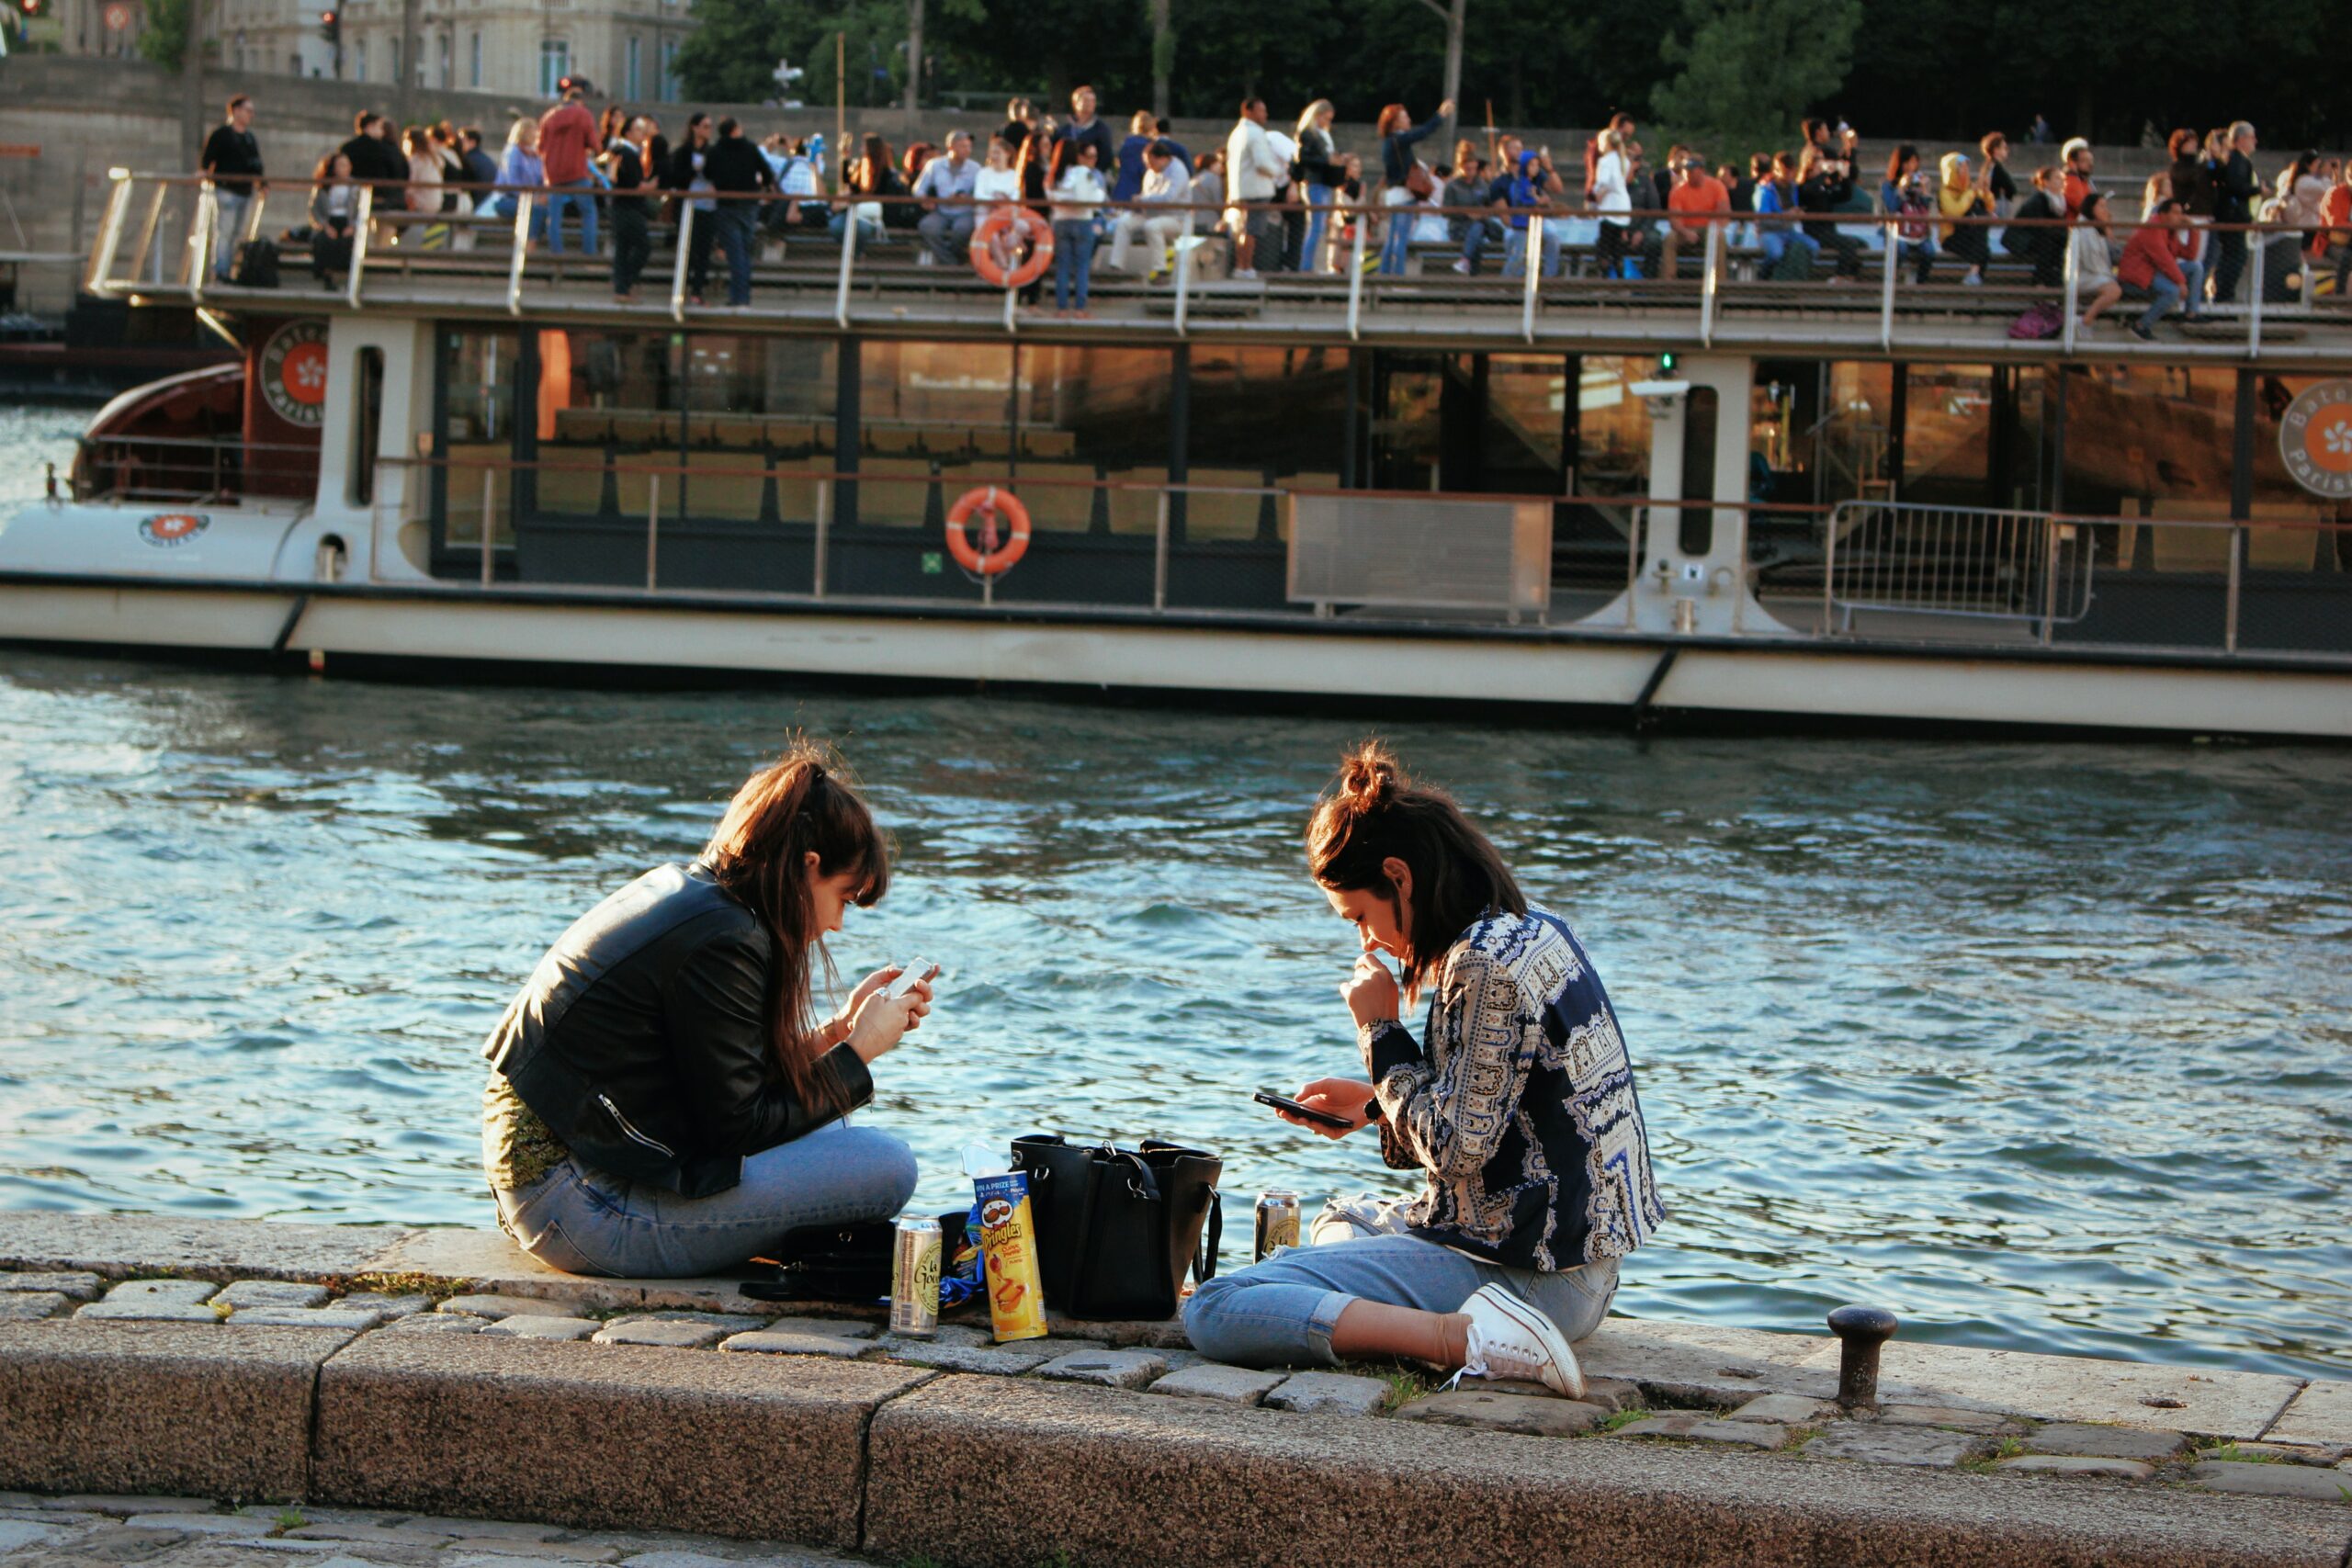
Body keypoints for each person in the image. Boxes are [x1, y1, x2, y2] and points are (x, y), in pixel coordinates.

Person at [1182, 743, 1664, 1392]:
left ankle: (1463, 1338)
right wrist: (1374, 1104)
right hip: (1579, 1268)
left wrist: (1380, 1032)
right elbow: (1499, 1122)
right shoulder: (1530, 929)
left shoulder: (1479, 965)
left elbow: (1457, 1147)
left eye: (1360, 917)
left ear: (1398, 877)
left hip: (1534, 1280)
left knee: (1217, 1307)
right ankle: (1434, 1324)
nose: (1367, 942)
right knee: (1336, 1225)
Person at [482, 745, 930, 1280]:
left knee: (836, 1134)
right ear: (808, 867)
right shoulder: (723, 938)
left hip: (558, 1185)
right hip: (579, 1206)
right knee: (886, 1167)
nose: (836, 924)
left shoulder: (695, 899)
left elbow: (722, 1082)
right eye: (843, 897)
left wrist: (838, 1031)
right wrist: (860, 1051)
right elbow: (738, 1127)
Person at [1374, 98, 1453, 275]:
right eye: (1405, 117)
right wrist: (1440, 115)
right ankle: (1397, 278)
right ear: (1395, 122)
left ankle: (1383, 275)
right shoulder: (1399, 139)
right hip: (1404, 196)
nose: (1409, 119)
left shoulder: (1389, 142)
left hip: (1394, 195)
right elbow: (1423, 132)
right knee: (1401, 238)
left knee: (1392, 239)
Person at [704, 117, 775, 307]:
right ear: (735, 130)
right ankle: (743, 295)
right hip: (749, 204)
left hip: (726, 205)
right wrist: (765, 187)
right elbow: (767, 172)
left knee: (735, 252)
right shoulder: (750, 148)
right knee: (744, 250)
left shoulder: (715, 151)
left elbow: (708, 173)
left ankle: (739, 297)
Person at [1108, 139, 1191, 279]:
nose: (1148, 166)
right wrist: (1139, 203)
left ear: (1162, 159)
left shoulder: (1178, 170)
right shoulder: (1150, 173)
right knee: (1124, 223)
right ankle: (1116, 266)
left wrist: (1142, 199)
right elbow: (1147, 195)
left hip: (1175, 218)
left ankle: (1160, 270)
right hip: (1150, 213)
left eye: (1150, 162)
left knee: (1152, 227)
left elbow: (1169, 198)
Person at [2117, 197, 2198, 338]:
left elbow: (2189, 255)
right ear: (2163, 215)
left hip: (2154, 273)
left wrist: (2193, 229)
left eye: (2181, 214)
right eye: (2176, 213)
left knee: (2195, 267)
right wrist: (2181, 282)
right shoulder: (2153, 228)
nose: (2180, 218)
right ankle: (2141, 326)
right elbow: (2164, 259)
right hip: (2138, 276)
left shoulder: (2170, 231)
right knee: (2172, 291)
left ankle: (2191, 314)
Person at [201, 95, 263, 281]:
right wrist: (205, 173)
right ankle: (221, 271)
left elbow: (256, 164)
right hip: (226, 190)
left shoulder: (249, 138)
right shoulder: (221, 134)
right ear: (235, 111)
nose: (250, 115)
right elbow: (207, 159)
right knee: (225, 232)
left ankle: (229, 271)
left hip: (245, 191)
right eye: (247, 110)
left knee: (237, 234)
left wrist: (262, 183)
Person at [1224, 98, 1285, 279]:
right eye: (1261, 111)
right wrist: (1279, 171)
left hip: (1238, 189)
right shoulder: (1256, 133)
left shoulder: (1236, 133)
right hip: (1256, 190)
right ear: (1248, 111)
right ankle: (1246, 267)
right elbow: (1262, 163)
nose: (1265, 115)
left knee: (1241, 229)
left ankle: (1239, 267)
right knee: (1252, 230)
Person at [538, 78, 600, 255]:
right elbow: (594, 144)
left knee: (554, 216)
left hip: (553, 173)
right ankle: (589, 253)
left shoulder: (548, 117)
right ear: (580, 101)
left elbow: (540, 147)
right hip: (576, 171)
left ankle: (557, 254)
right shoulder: (583, 114)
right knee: (588, 212)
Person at [1047, 137, 1105, 317]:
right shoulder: (1083, 173)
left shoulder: (1053, 174)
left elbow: (1051, 196)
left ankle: (1062, 307)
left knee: (1063, 266)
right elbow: (1094, 198)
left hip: (1061, 220)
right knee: (1081, 267)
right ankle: (1080, 308)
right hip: (1082, 220)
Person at [665, 114, 717, 302]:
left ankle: (697, 291)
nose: (708, 130)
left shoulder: (712, 152)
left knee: (704, 250)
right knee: (688, 249)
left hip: (707, 207)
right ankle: (681, 289)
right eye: (704, 126)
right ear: (694, 128)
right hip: (688, 206)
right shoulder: (683, 152)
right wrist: (694, 171)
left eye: (710, 126)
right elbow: (676, 177)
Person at [1496, 146, 1566, 279]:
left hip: (1533, 222)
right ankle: (1505, 282)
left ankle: (1548, 278)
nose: (1536, 168)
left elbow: (1557, 189)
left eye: (1537, 165)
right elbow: (1521, 200)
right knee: (1518, 255)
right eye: (1532, 165)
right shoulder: (1518, 183)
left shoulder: (1532, 181)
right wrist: (1539, 201)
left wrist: (1540, 200)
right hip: (1520, 224)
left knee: (1551, 239)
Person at [605, 116, 653, 303]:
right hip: (629, 207)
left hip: (618, 206)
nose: (643, 133)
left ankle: (621, 289)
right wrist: (652, 186)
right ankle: (624, 282)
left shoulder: (617, 152)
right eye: (639, 130)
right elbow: (634, 186)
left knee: (623, 250)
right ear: (629, 132)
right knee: (643, 246)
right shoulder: (628, 154)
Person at [1798, 144, 1864, 281]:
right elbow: (1810, 191)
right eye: (1819, 160)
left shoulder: (1823, 185)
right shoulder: (1805, 186)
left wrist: (1845, 178)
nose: (1823, 163)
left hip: (1829, 231)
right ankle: (1839, 277)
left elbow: (1844, 196)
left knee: (1861, 244)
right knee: (1849, 243)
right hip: (1815, 232)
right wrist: (1825, 173)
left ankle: (1850, 277)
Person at [913, 130, 979, 266]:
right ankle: (951, 263)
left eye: (969, 146)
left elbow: (980, 193)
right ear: (951, 147)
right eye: (963, 146)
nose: (967, 150)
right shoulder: (934, 165)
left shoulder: (975, 168)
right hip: (941, 210)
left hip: (964, 212)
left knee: (963, 230)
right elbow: (918, 188)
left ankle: (950, 260)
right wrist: (925, 200)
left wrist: (967, 198)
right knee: (927, 227)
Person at [2211, 121, 2259, 303]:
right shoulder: (2237, 159)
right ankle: (2224, 296)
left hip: (2233, 216)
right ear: (2240, 139)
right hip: (2234, 218)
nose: (2255, 141)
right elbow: (2236, 187)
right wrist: (2258, 189)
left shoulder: (2234, 159)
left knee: (2232, 257)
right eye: (2251, 137)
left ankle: (2224, 295)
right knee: (2236, 257)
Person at [1662, 152, 1727, 282]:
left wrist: (1713, 228)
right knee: (1669, 239)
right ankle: (1668, 283)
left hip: (1710, 228)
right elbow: (1674, 219)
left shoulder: (1716, 186)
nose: (1688, 173)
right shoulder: (1677, 189)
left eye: (1691, 170)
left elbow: (1724, 213)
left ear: (1702, 170)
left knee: (1718, 237)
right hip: (1685, 229)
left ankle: (1719, 283)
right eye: (1686, 170)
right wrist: (1686, 232)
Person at [1294, 100, 1341, 274]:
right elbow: (1302, 159)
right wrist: (1327, 161)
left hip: (1324, 182)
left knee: (1319, 226)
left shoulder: (1322, 135)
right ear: (1317, 116)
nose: (1328, 123)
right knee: (1316, 226)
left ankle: (1315, 264)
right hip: (1315, 182)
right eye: (1326, 118)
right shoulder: (1308, 133)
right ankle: (1307, 266)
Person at [2002, 164, 2068, 288]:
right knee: (2048, 244)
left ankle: (2054, 283)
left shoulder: (2060, 201)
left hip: (2044, 240)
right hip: (2022, 240)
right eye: (2057, 178)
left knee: (2057, 245)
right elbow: (2040, 227)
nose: (2062, 181)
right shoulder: (2038, 200)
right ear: (2046, 182)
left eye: (2062, 178)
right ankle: (2039, 283)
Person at [1753, 150, 1818, 275]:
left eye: (1792, 171)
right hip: (1767, 232)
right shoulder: (1765, 190)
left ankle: (1794, 275)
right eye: (1786, 172)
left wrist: (1797, 213)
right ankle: (1763, 274)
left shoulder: (1793, 188)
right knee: (1776, 253)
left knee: (1814, 246)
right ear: (1777, 171)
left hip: (1788, 231)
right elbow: (1763, 219)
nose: (1790, 175)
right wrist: (1785, 216)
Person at [1880, 144, 1935, 283]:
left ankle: (1921, 284)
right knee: (1902, 250)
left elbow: (1925, 208)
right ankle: (1892, 282)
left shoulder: (1918, 183)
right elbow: (1892, 207)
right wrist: (1901, 189)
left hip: (1917, 231)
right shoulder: (1888, 185)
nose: (1911, 166)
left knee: (1929, 251)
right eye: (1908, 162)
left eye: (1914, 162)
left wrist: (1925, 191)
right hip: (1897, 231)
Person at [1590, 127, 1638, 279]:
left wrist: (1597, 196)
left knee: (1605, 247)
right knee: (1618, 249)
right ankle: (1620, 281)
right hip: (1623, 206)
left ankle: (1604, 280)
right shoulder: (1623, 160)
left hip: (1610, 207)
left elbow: (1605, 183)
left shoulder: (1605, 161)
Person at [1937, 152, 1990, 286]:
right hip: (1952, 237)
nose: (1965, 171)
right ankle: (1973, 276)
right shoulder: (1945, 192)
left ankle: (1973, 274)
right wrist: (1970, 193)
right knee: (1983, 249)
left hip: (1971, 235)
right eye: (1961, 167)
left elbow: (1990, 207)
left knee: (1984, 246)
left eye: (1967, 167)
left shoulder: (1969, 189)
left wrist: (1985, 191)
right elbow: (1955, 212)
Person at [490, 119, 546, 244]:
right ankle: (528, 246)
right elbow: (512, 182)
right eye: (534, 133)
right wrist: (534, 199)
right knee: (536, 211)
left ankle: (528, 245)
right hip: (507, 199)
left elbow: (540, 179)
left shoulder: (534, 155)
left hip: (528, 199)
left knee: (545, 210)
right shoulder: (513, 152)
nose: (536, 136)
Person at [306, 151, 356, 288]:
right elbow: (314, 209)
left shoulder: (355, 187)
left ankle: (341, 274)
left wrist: (352, 226)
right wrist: (325, 225)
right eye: (341, 165)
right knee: (325, 240)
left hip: (347, 221)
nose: (344, 168)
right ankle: (326, 273)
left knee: (346, 241)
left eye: (346, 165)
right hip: (329, 221)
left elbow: (359, 210)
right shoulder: (324, 186)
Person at [2073, 189, 2122, 328]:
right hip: (2084, 274)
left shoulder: (2097, 228)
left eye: (2105, 206)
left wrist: (2108, 230)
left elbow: (2115, 254)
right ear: (2091, 208)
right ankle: (2086, 320)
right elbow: (2091, 261)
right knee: (2114, 291)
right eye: (2101, 206)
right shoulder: (2084, 229)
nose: (2105, 210)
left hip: (2097, 272)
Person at [1055, 85, 1118, 191]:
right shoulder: (1065, 130)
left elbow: (1106, 156)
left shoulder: (1101, 129)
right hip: (1066, 177)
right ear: (1075, 103)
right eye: (1086, 100)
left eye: (1092, 101)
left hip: (1091, 177)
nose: (1090, 104)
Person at [339, 110, 406, 186]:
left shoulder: (347, 147)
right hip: (380, 192)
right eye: (380, 127)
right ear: (370, 126)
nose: (382, 131)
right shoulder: (384, 149)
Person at [1979, 131, 2017, 214]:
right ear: (1996, 150)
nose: (2007, 151)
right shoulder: (1997, 168)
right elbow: (2012, 188)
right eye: (2004, 148)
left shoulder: (1987, 166)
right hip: (1996, 208)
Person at [2060, 137, 2097, 216]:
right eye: (2084, 160)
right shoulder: (2070, 182)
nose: (2090, 164)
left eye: (2091, 160)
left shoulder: (2083, 182)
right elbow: (2085, 209)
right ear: (2071, 162)